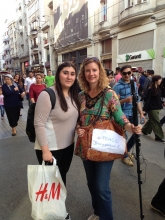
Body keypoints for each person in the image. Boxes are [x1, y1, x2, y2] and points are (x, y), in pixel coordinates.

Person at [76, 57, 142, 220]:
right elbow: (78, 119)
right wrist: (78, 128)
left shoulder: (109, 94)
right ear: (83, 74)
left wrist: (131, 128)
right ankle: (97, 212)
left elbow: (120, 118)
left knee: (101, 186)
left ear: (100, 72)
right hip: (86, 145)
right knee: (91, 184)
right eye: (87, 70)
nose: (91, 73)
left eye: (94, 70)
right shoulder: (81, 96)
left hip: (104, 145)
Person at [34, 62, 79, 220]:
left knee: (61, 179)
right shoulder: (47, 94)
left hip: (67, 146)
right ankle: (57, 214)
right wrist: (45, 151)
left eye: (72, 73)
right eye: (65, 72)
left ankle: (58, 210)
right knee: (51, 184)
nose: (69, 76)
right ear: (58, 74)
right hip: (50, 148)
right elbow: (39, 123)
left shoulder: (74, 95)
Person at [113, 65, 145, 166]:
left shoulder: (134, 84)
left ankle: (126, 150)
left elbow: (137, 100)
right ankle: (125, 156)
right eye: (124, 73)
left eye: (129, 73)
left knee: (137, 134)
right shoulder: (116, 87)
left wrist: (141, 113)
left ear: (131, 73)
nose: (127, 75)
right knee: (123, 137)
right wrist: (125, 100)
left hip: (133, 113)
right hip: (122, 115)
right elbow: (113, 104)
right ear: (121, 74)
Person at [142, 75, 165, 143]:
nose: (161, 81)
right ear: (156, 80)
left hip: (157, 107)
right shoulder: (150, 89)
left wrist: (162, 102)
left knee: (151, 121)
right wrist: (144, 110)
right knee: (156, 122)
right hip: (152, 109)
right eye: (159, 79)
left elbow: (157, 99)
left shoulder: (158, 88)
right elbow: (147, 100)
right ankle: (159, 137)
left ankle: (145, 130)